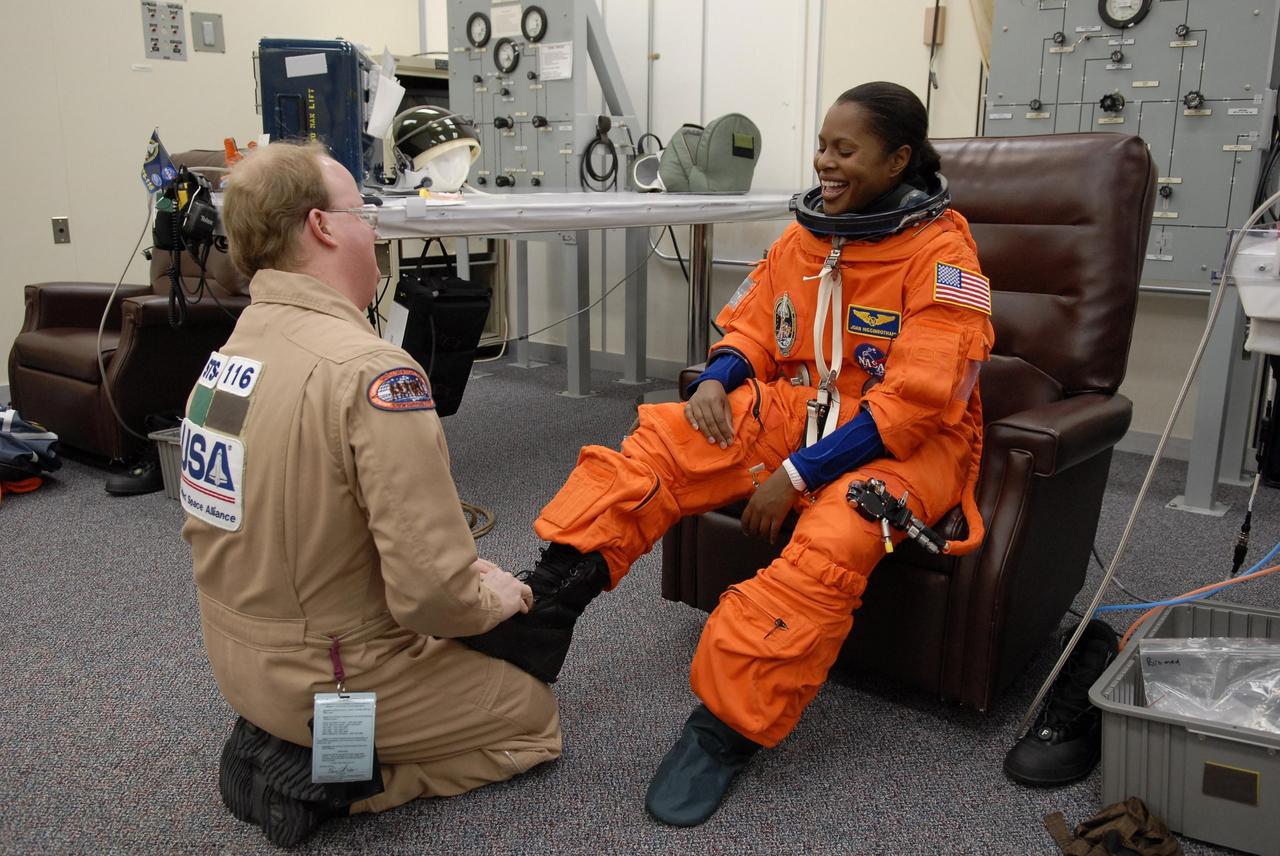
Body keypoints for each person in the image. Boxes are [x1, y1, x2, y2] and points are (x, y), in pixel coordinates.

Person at [462, 82, 995, 826]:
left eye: (845, 150)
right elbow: (754, 324)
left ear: (899, 158)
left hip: (910, 444)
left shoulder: (944, 256)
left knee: (833, 539)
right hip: (806, 410)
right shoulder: (807, 237)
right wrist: (718, 378)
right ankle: (550, 602)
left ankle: (726, 729)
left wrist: (797, 474)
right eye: (820, 144)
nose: (823, 162)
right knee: (671, 436)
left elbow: (914, 405)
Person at [180, 141, 560, 847]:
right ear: (322, 227)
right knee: (532, 719)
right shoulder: (373, 372)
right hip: (330, 677)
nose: (375, 230)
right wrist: (491, 596)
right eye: (364, 211)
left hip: (233, 658)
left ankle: (290, 736)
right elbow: (431, 599)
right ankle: (342, 784)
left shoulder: (228, 356)